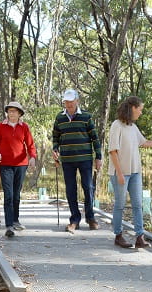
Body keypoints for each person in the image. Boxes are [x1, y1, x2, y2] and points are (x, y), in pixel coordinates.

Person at [108, 96, 152, 248]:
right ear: (132, 107)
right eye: (140, 109)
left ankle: (140, 237)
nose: (141, 112)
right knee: (120, 204)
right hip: (120, 173)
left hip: (135, 173)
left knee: (138, 205)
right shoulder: (116, 125)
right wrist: (119, 174)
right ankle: (118, 236)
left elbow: (145, 143)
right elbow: (113, 151)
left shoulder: (133, 127)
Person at [52, 89, 102, 232]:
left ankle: (91, 218)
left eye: (71, 101)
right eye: (66, 102)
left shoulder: (86, 116)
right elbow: (55, 137)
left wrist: (98, 157)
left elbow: (95, 138)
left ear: (77, 101)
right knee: (70, 190)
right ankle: (74, 219)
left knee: (88, 188)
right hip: (67, 159)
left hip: (85, 159)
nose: (68, 104)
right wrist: (55, 150)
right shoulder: (59, 118)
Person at [0, 101, 37, 237]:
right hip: (5, 164)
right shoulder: (1, 126)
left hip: (21, 164)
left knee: (16, 195)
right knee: (9, 195)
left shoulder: (24, 127)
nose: (11, 113)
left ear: (19, 114)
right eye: (9, 111)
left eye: (14, 111)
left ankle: (15, 220)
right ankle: (9, 226)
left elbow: (30, 145)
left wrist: (33, 157)